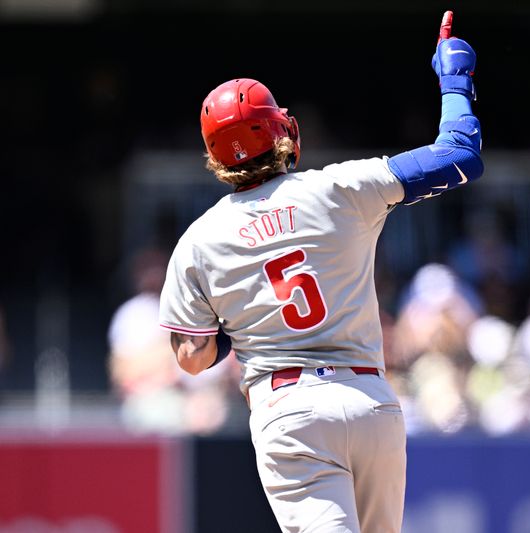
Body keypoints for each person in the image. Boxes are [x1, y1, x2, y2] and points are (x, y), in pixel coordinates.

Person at [158, 11, 483, 533]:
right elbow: (459, 155)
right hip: (371, 402)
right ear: (281, 132)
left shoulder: (197, 242)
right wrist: (453, 78)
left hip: (289, 409)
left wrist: (242, 330)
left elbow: (192, 356)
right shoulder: (339, 189)